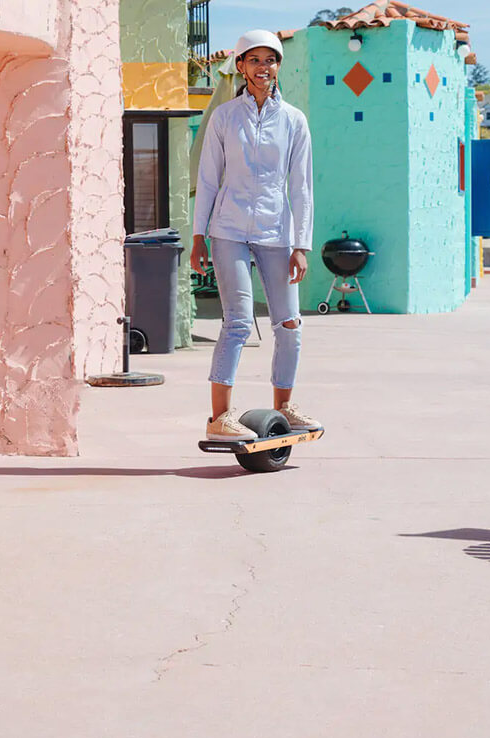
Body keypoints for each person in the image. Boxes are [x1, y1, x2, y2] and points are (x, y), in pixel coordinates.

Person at [192, 30, 320, 441]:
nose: (264, 67)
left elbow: (301, 187)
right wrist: (199, 236)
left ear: (278, 66)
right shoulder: (224, 117)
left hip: (276, 231)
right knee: (238, 323)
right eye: (255, 60)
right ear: (241, 66)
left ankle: (285, 407)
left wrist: (301, 244)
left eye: (271, 59)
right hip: (228, 228)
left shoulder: (294, 121)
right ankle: (220, 419)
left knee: (289, 322)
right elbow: (208, 179)